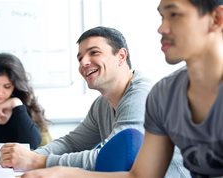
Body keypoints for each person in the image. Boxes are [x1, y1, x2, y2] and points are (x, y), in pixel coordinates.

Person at [18, 0, 223, 177]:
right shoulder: (163, 94)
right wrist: (57, 171)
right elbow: (140, 175)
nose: (161, 28)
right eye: (162, 17)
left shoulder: (144, 95)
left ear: (216, 19)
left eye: (174, 14)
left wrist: (41, 162)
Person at [0, 26, 152, 171]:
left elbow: (115, 159)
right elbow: (71, 143)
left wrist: (36, 161)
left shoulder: (142, 95)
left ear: (121, 56)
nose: (83, 63)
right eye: (80, 58)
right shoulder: (101, 104)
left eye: (94, 52)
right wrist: (32, 155)